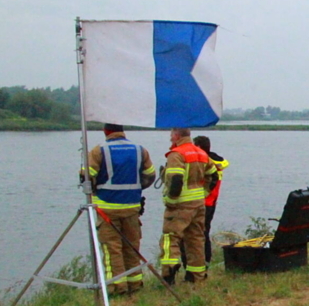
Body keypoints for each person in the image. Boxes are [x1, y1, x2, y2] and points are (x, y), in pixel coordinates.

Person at [83, 124, 156, 295]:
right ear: (123, 131)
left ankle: (117, 287)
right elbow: (150, 175)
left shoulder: (98, 150)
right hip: (132, 206)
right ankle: (135, 285)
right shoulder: (140, 150)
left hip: (106, 208)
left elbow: (87, 177)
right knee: (132, 247)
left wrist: (94, 191)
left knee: (112, 250)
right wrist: (135, 190)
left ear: (105, 131)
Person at [159, 128, 217, 285]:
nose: (170, 138)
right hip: (198, 204)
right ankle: (196, 276)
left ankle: (169, 272)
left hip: (180, 205)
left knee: (170, 237)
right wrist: (203, 193)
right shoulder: (200, 153)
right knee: (196, 239)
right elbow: (214, 175)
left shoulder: (176, 154)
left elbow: (176, 180)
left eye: (171, 134)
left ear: (177, 135)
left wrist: (171, 201)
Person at [193, 135, 229, 264]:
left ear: (198, 147)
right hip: (212, 202)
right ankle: (206, 262)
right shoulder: (217, 162)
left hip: (203, 201)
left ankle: (201, 262)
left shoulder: (204, 163)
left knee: (197, 234)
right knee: (205, 233)